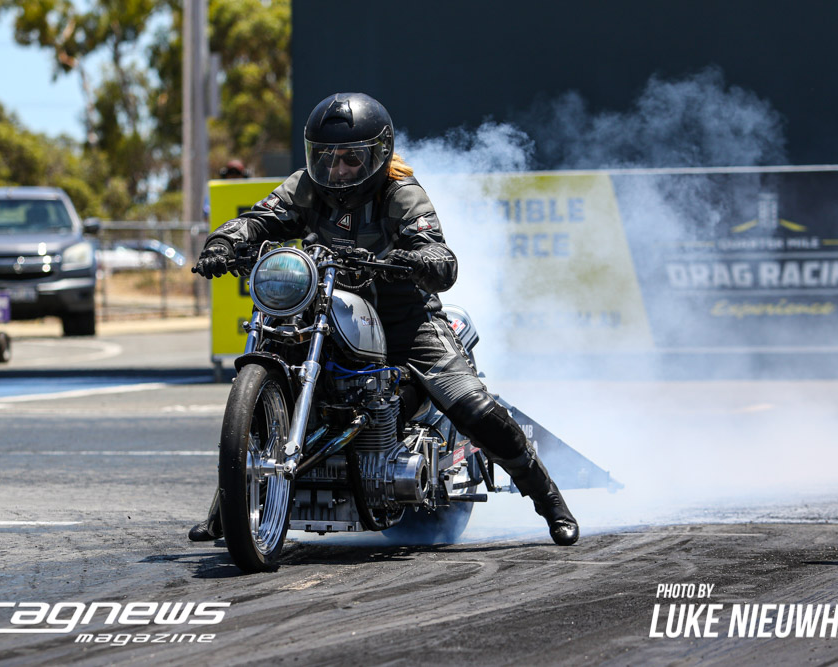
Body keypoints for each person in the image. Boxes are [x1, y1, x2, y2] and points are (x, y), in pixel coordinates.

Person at [190, 92, 579, 546]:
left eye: (350, 158)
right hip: (327, 313)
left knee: (473, 407)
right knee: (270, 362)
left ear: (378, 153)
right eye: (326, 157)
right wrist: (224, 242)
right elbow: (259, 219)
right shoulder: (306, 187)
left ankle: (550, 502)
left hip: (403, 322)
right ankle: (229, 506)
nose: (337, 169)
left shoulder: (400, 192)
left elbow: (438, 254)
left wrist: (418, 260)